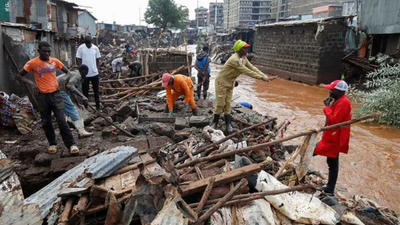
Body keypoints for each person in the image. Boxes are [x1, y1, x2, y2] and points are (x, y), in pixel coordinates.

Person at [17, 41, 79, 154]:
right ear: (39, 51)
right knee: (46, 122)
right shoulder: (32, 63)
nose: (46, 54)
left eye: (48, 52)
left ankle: (71, 144)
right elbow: (19, 76)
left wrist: (62, 82)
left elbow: (68, 72)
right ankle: (52, 143)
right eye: (44, 51)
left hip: (56, 94)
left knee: (62, 120)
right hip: (42, 96)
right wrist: (32, 84)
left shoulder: (55, 62)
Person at [211, 40, 276, 132]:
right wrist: (261, 78)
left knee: (228, 103)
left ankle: (228, 124)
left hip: (230, 82)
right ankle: (215, 122)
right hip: (222, 82)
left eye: (247, 48)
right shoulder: (234, 59)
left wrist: (265, 76)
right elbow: (246, 71)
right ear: (239, 49)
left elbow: (252, 68)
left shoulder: (244, 59)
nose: (247, 49)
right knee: (221, 103)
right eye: (244, 48)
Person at [314, 80, 352, 196]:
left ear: (339, 91)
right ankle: (329, 189)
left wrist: (326, 108)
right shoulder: (337, 100)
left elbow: (335, 120)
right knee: (332, 162)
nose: (329, 91)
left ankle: (330, 190)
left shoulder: (344, 103)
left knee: (314, 152)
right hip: (331, 135)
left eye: (332, 89)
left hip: (335, 137)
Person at [57, 65, 93, 138]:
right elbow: (70, 86)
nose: (86, 75)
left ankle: (64, 130)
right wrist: (82, 96)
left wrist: (77, 103)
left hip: (56, 90)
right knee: (72, 109)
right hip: (59, 90)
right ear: (84, 71)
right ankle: (81, 131)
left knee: (64, 111)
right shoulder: (78, 75)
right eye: (86, 73)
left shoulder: (74, 73)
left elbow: (71, 90)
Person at [76, 35, 102, 110]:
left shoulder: (95, 48)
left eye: (89, 43)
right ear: (84, 42)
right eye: (87, 43)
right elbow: (79, 59)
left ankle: (98, 106)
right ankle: (86, 107)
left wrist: (98, 69)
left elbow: (98, 60)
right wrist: (81, 70)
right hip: (85, 75)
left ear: (91, 41)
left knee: (96, 91)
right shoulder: (81, 48)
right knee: (85, 92)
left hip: (94, 73)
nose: (88, 45)